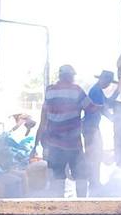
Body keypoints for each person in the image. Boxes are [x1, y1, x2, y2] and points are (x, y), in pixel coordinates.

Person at [37, 64, 93, 197]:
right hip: (73, 144)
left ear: (60, 76)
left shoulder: (49, 91)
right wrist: (104, 106)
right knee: (81, 175)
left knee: (57, 176)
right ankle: (83, 204)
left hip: (54, 144)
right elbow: (91, 108)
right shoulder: (77, 91)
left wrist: (37, 141)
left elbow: (44, 116)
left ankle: (59, 205)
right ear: (70, 76)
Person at [82, 69, 121, 194]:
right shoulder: (96, 91)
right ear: (103, 79)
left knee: (96, 154)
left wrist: (118, 91)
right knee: (94, 155)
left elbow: (107, 103)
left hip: (92, 126)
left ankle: (94, 182)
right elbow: (103, 109)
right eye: (108, 82)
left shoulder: (98, 90)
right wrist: (114, 119)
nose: (108, 84)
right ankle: (93, 183)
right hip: (90, 127)